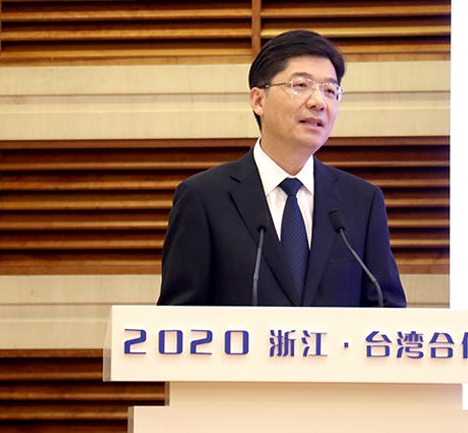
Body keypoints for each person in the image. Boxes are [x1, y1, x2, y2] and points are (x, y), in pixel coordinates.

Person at [157, 30, 406, 307]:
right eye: (301, 85)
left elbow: (387, 310)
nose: (318, 102)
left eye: (330, 90)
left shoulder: (361, 202)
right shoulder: (204, 198)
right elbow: (178, 320)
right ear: (258, 101)